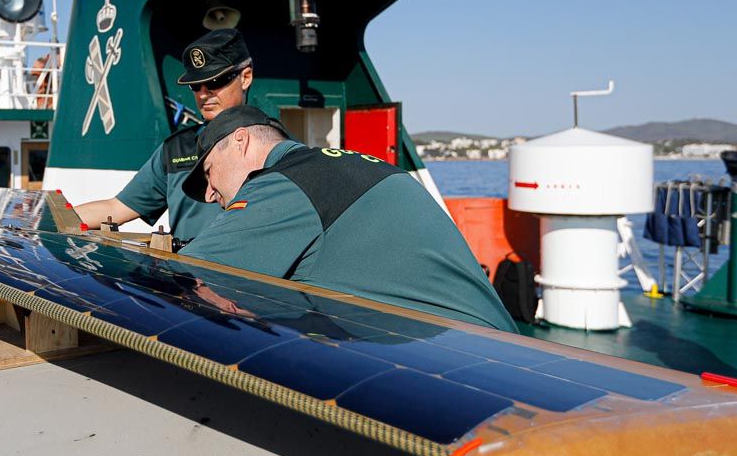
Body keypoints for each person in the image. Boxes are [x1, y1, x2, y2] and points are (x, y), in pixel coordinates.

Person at [178, 106, 518, 332]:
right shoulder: (354, 166)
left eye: (209, 172)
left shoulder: (288, 180)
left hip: (464, 370)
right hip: (511, 354)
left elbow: (182, 275)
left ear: (241, 141)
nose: (209, 194)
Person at [75, 27, 254, 240]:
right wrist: (48, 217)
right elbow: (117, 207)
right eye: (196, 85)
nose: (204, 94)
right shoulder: (176, 150)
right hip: (186, 272)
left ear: (245, 77)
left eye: (215, 81)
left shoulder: (277, 148)